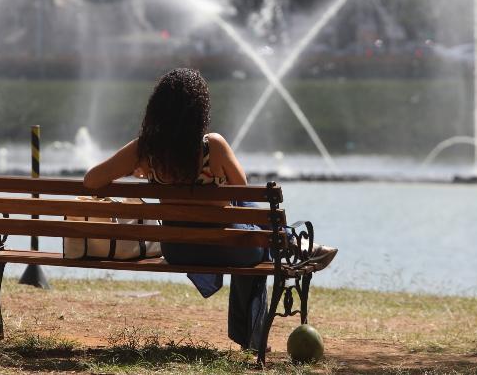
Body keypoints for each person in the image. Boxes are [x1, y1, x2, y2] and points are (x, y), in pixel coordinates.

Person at [84, 67, 336, 352]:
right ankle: (293, 246)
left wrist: (141, 169)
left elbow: (91, 180)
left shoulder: (145, 150)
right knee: (253, 227)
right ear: (199, 110)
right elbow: (243, 194)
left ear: (157, 109)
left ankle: (289, 243)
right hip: (230, 249)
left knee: (252, 228)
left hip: (178, 250)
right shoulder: (213, 147)